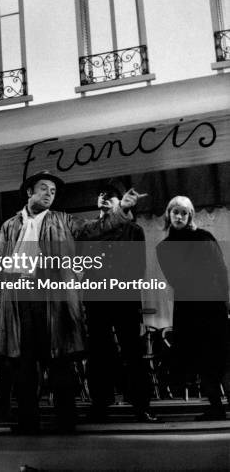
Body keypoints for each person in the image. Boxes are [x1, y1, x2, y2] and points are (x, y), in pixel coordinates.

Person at [0, 170, 140, 434]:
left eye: (53, 191)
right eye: (43, 189)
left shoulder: (64, 220)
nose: (49, 194)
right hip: (20, 298)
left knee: (59, 361)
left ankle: (66, 420)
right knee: (23, 364)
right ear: (29, 192)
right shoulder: (10, 225)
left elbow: (94, 229)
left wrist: (121, 209)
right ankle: (27, 421)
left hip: (53, 298)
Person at [80, 180, 156, 423]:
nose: (104, 198)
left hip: (124, 297)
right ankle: (100, 405)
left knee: (133, 352)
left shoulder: (134, 231)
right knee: (98, 354)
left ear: (120, 202)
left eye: (110, 196)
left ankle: (141, 406)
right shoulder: (89, 228)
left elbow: (139, 267)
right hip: (96, 299)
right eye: (101, 195)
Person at [156, 195, 229, 421]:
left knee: (223, 358)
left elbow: (221, 271)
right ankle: (216, 407)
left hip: (213, 305)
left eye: (184, 213)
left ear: (190, 216)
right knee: (201, 360)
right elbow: (175, 279)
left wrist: (226, 303)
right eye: (175, 212)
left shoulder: (204, 236)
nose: (179, 216)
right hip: (188, 309)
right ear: (169, 214)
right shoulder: (164, 247)